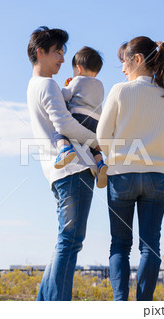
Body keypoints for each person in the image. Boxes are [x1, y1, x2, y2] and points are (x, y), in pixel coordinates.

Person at [96, 36, 164, 301]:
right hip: (157, 177)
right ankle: (144, 307)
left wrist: (119, 156)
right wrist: (152, 155)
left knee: (120, 246)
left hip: (121, 177)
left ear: (137, 59)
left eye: (124, 61)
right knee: (151, 247)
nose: (122, 68)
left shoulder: (121, 91)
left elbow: (102, 136)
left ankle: (121, 305)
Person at [26, 26, 98, 301]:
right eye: (57, 52)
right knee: (70, 242)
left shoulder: (35, 86)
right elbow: (64, 124)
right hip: (74, 170)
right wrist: (97, 141)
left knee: (65, 241)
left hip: (57, 173)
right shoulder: (47, 84)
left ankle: (46, 302)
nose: (61, 58)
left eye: (63, 52)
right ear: (40, 52)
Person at [52, 46, 109, 188]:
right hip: (96, 121)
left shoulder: (76, 81)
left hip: (78, 116)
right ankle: (100, 164)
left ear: (78, 68)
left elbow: (64, 96)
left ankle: (65, 150)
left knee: (60, 131)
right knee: (92, 146)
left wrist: (67, 85)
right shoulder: (100, 85)